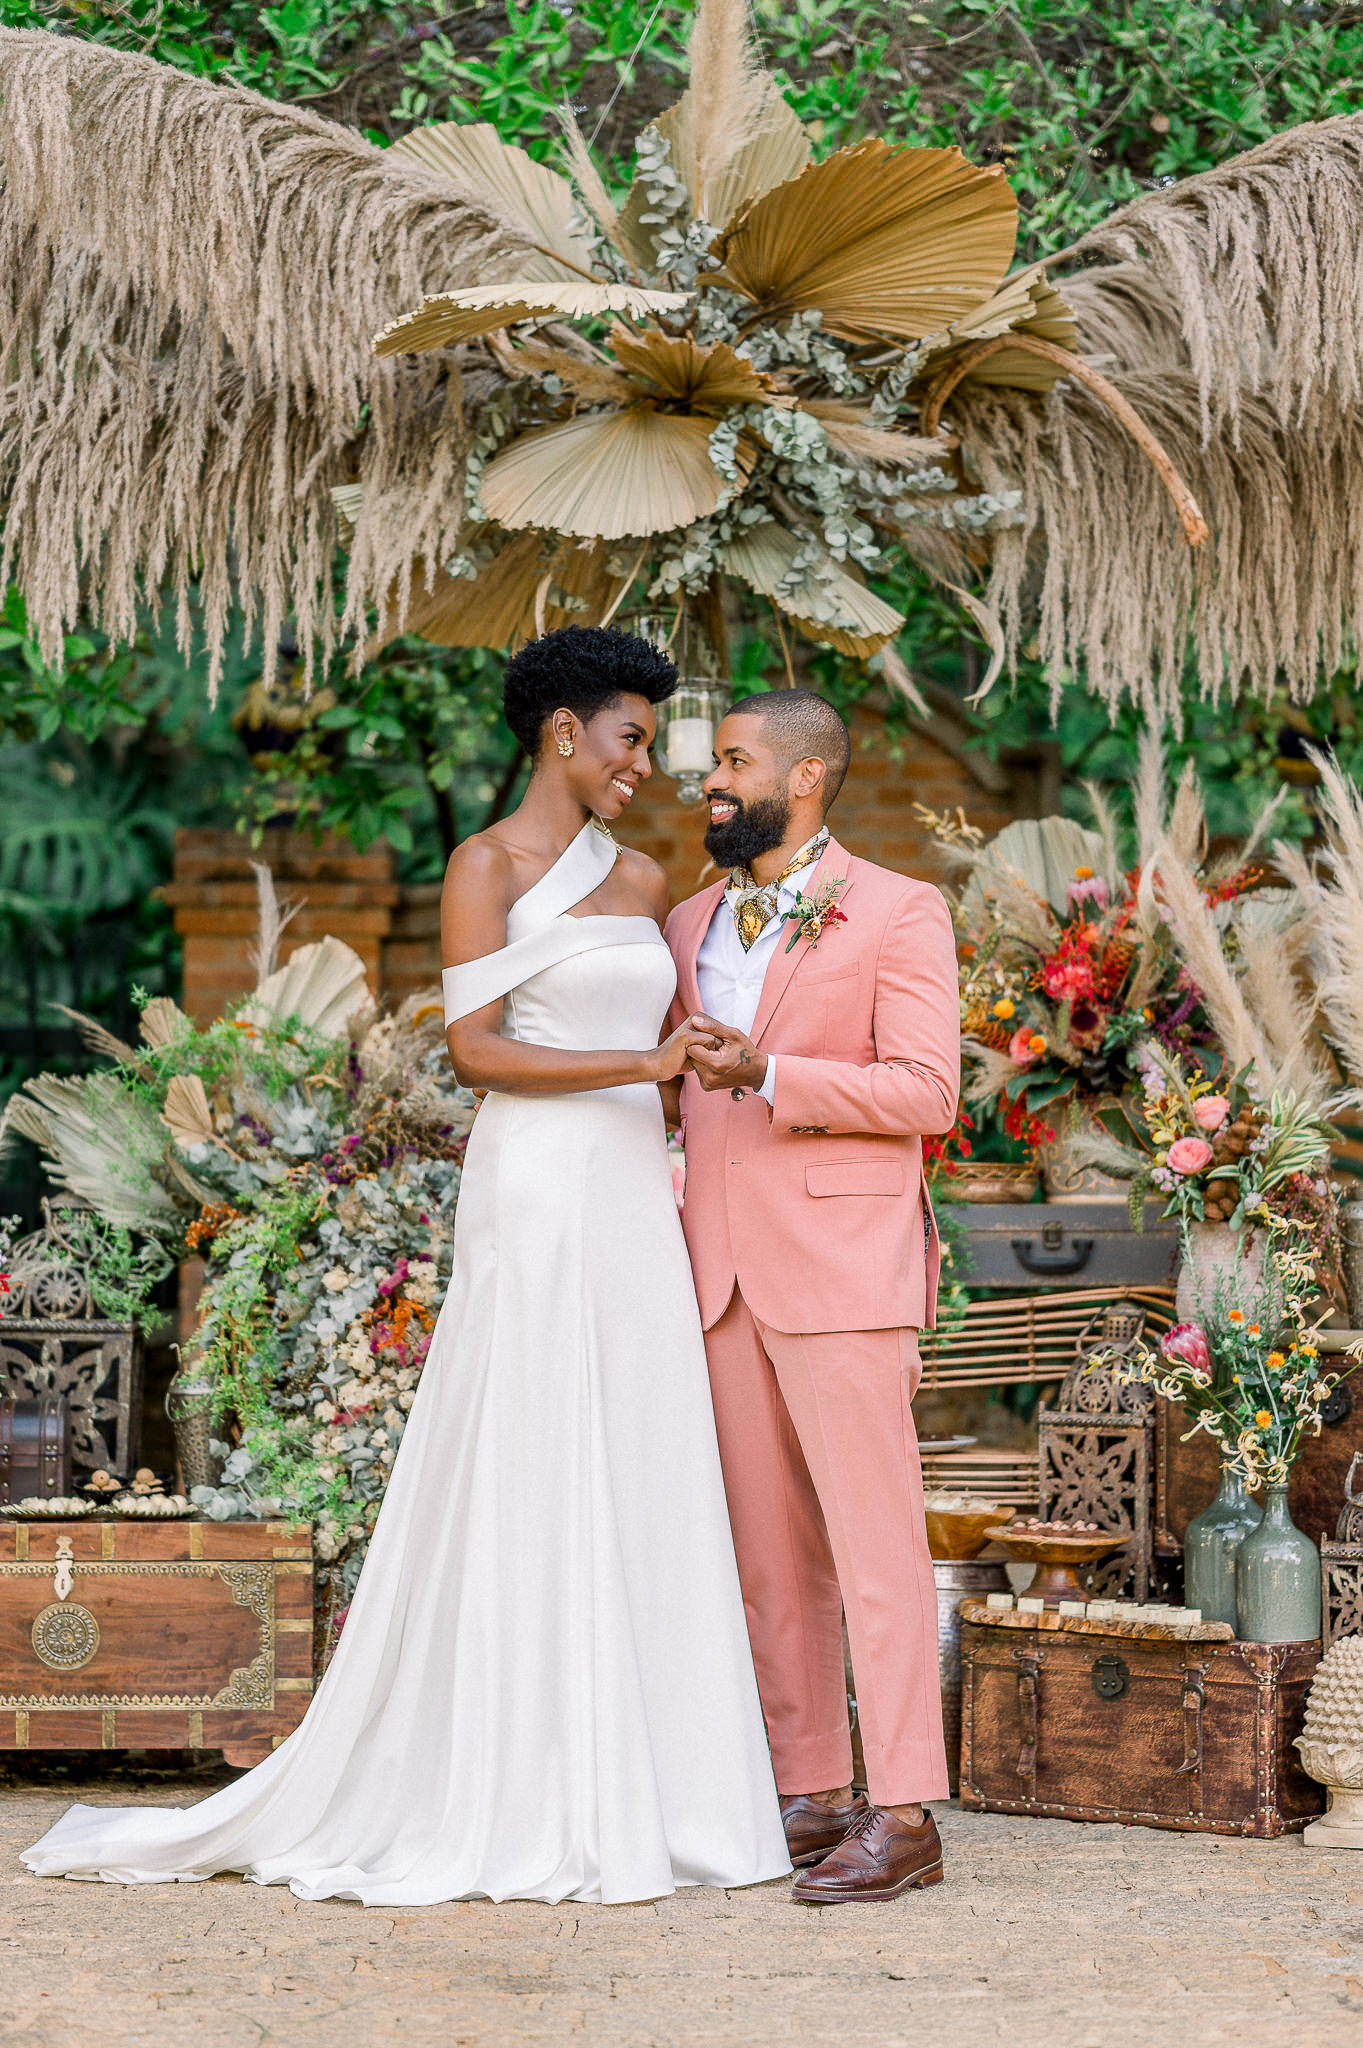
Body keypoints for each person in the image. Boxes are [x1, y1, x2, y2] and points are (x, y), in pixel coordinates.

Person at [21, 627, 790, 1907]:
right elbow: (479, 1052)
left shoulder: (651, 877)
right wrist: (635, 1069)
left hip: (627, 1192)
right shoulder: (482, 866)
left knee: (642, 1444)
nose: (646, 766)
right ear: (562, 731)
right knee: (532, 1441)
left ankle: (665, 1788)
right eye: (631, 738)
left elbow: (658, 1033)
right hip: (537, 1180)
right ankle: (516, 1776)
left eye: (654, 743)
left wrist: (689, 1051)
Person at [664, 689, 961, 1905]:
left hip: (843, 1267)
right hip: (717, 1269)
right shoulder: (686, 917)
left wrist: (776, 1070)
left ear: (806, 779)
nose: (710, 783)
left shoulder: (899, 908)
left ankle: (905, 1809)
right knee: (771, 1555)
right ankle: (811, 1790)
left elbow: (927, 1091)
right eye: (711, 763)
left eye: (732, 762)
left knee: (875, 1545)